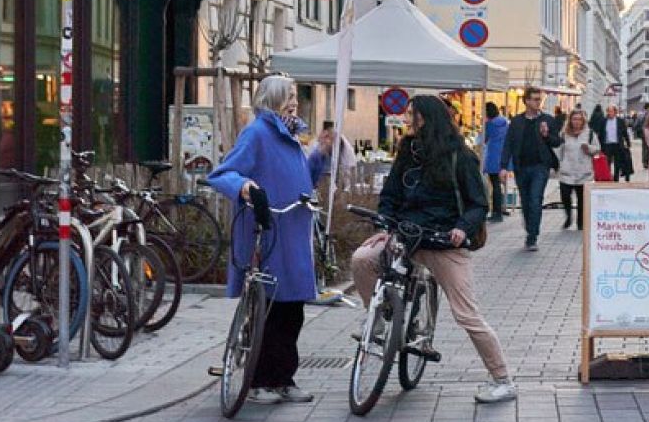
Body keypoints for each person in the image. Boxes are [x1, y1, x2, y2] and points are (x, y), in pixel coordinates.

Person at [351, 94, 517, 404]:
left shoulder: (460, 156)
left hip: (443, 243)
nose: (407, 119)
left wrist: (461, 229)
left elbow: (478, 203)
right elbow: (390, 195)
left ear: (429, 118)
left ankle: (503, 379)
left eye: (413, 114)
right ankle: (379, 317)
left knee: (467, 315)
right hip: (405, 236)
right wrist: (384, 226)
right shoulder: (407, 151)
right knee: (362, 259)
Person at [206, 75, 329, 403]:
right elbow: (222, 174)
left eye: (294, 96)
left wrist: (319, 157)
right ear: (271, 99)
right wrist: (245, 188)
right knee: (270, 310)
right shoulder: (258, 133)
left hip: (293, 232)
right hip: (268, 231)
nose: (294, 101)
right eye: (288, 96)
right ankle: (261, 380)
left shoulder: (291, 136)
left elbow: (301, 178)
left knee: (292, 310)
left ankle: (284, 379)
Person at [503, 87, 559, 250]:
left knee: (536, 200)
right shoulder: (517, 121)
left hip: (540, 166)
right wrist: (503, 166)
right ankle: (530, 228)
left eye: (539, 99)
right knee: (526, 202)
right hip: (521, 167)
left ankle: (532, 236)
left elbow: (557, 142)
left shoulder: (548, 120)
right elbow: (509, 144)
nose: (538, 102)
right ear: (526, 101)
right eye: (534, 99)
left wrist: (547, 135)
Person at [555, 109, 599, 229]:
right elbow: (558, 150)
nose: (577, 122)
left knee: (582, 199)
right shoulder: (564, 134)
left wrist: (588, 148)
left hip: (584, 171)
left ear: (583, 120)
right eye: (574, 119)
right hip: (567, 171)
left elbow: (597, 148)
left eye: (579, 119)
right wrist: (560, 162)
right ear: (570, 120)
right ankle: (568, 217)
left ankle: (581, 222)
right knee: (565, 196)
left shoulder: (590, 133)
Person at [481, 102, 511, 222]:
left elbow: (484, 138)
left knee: (495, 184)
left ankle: (496, 212)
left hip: (493, 155)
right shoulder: (505, 122)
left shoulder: (489, 124)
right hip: (503, 154)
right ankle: (501, 208)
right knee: (500, 183)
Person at [605, 108, 635, 181]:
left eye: (611, 111)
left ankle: (616, 178)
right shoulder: (604, 121)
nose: (610, 113)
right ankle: (608, 177)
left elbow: (625, 132)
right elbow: (601, 133)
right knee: (607, 162)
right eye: (608, 111)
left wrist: (628, 142)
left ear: (615, 112)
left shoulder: (620, 121)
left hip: (618, 144)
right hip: (607, 145)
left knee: (617, 162)